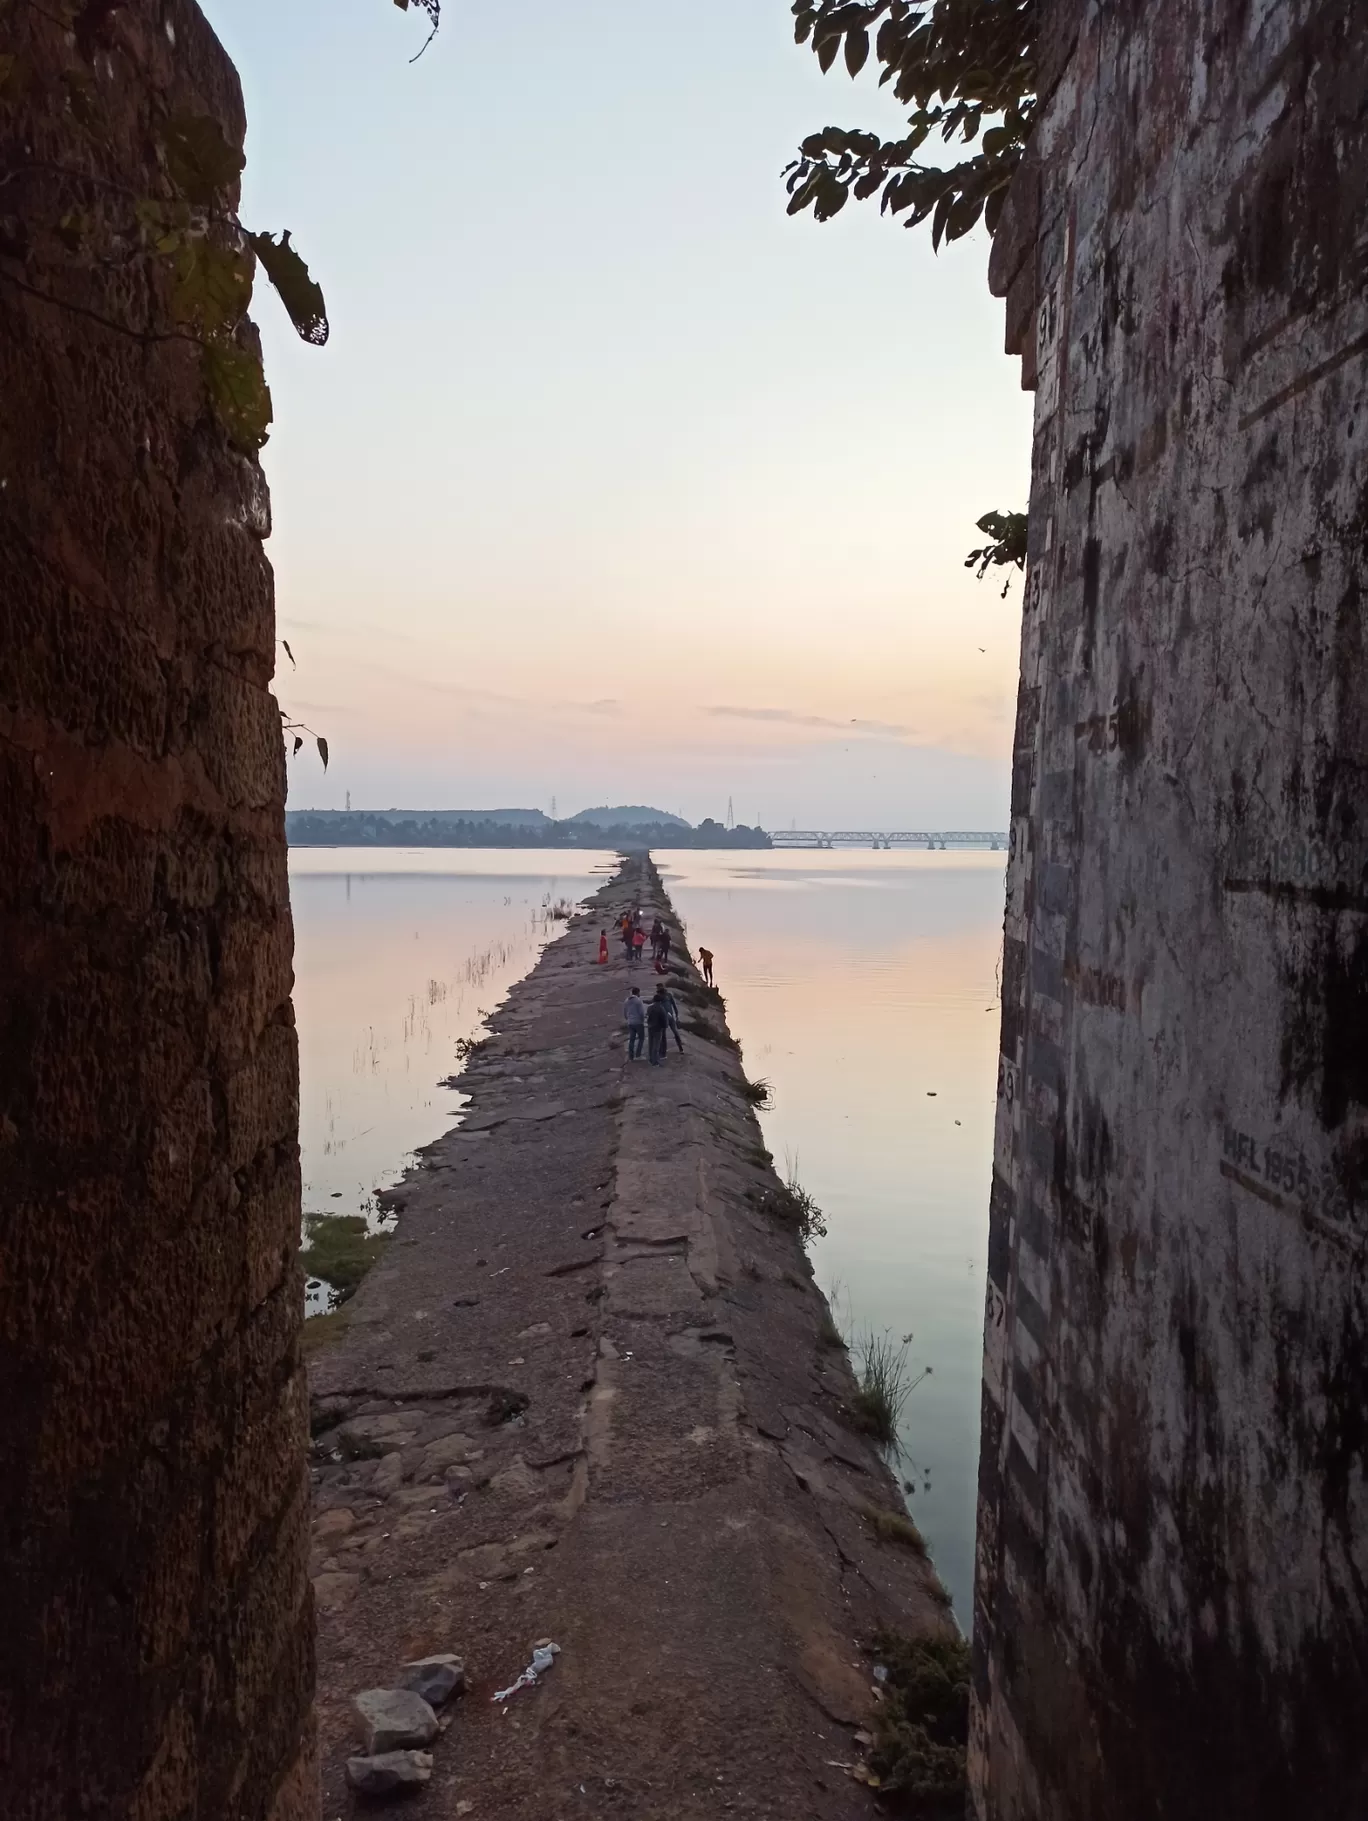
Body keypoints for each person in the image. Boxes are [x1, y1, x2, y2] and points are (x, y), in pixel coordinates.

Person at [645, 986, 669, 1065]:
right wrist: (665, 1026)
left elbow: (648, 1016)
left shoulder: (649, 1008)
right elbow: (664, 1019)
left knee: (650, 1044)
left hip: (650, 1027)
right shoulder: (661, 1008)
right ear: (660, 1001)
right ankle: (655, 1061)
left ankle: (650, 1059)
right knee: (656, 1045)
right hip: (658, 1029)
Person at [623, 986, 645, 1060]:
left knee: (631, 1039)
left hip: (630, 1022)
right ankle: (638, 1055)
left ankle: (631, 1056)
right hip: (638, 1022)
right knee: (641, 1038)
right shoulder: (638, 1001)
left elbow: (625, 1012)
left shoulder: (626, 1000)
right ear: (638, 992)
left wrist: (628, 1019)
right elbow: (641, 1013)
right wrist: (642, 1020)